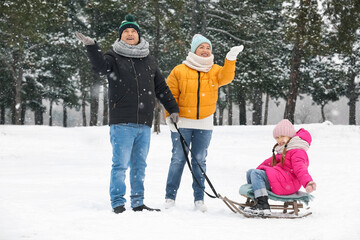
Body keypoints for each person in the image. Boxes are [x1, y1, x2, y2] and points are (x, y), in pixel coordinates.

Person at [74, 14, 179, 214]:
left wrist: (172, 108)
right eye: (126, 32)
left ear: (138, 35)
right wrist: (91, 46)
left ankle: (138, 202)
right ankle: (118, 203)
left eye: (133, 32)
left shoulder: (148, 59)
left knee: (140, 165)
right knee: (120, 165)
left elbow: (161, 88)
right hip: (122, 121)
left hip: (144, 122)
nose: (130, 34)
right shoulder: (113, 56)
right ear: (121, 36)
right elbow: (99, 68)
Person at [163, 33, 244, 212]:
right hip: (181, 122)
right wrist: (170, 114)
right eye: (202, 47)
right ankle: (170, 197)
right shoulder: (179, 70)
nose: (205, 50)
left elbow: (227, 77)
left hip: (205, 123)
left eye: (208, 48)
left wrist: (230, 59)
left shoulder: (215, 70)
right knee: (178, 159)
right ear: (194, 50)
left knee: (200, 160)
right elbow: (170, 94)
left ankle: (199, 199)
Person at [245, 119, 317, 216]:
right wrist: (254, 173)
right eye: (277, 138)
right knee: (251, 172)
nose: (279, 140)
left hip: (288, 183)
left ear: (290, 137)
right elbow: (268, 162)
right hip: (282, 180)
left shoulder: (297, 151)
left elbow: (300, 169)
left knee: (255, 173)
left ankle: (263, 204)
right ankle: (257, 201)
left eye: (282, 136)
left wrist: (308, 182)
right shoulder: (285, 150)